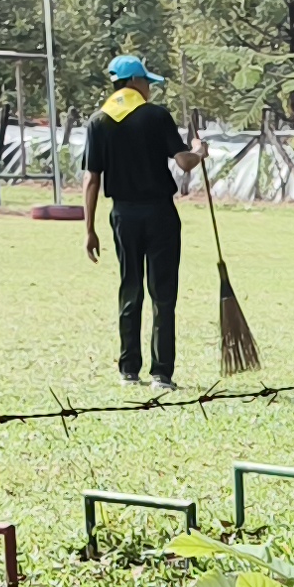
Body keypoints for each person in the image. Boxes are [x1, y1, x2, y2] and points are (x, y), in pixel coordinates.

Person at [80, 52, 196, 386]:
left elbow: (92, 179)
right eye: (146, 82)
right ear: (134, 82)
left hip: (123, 215)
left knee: (130, 288)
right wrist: (200, 151)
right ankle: (162, 373)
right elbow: (184, 162)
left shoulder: (98, 121)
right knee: (163, 293)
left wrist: (89, 229)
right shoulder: (156, 116)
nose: (149, 89)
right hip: (159, 212)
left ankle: (128, 369)